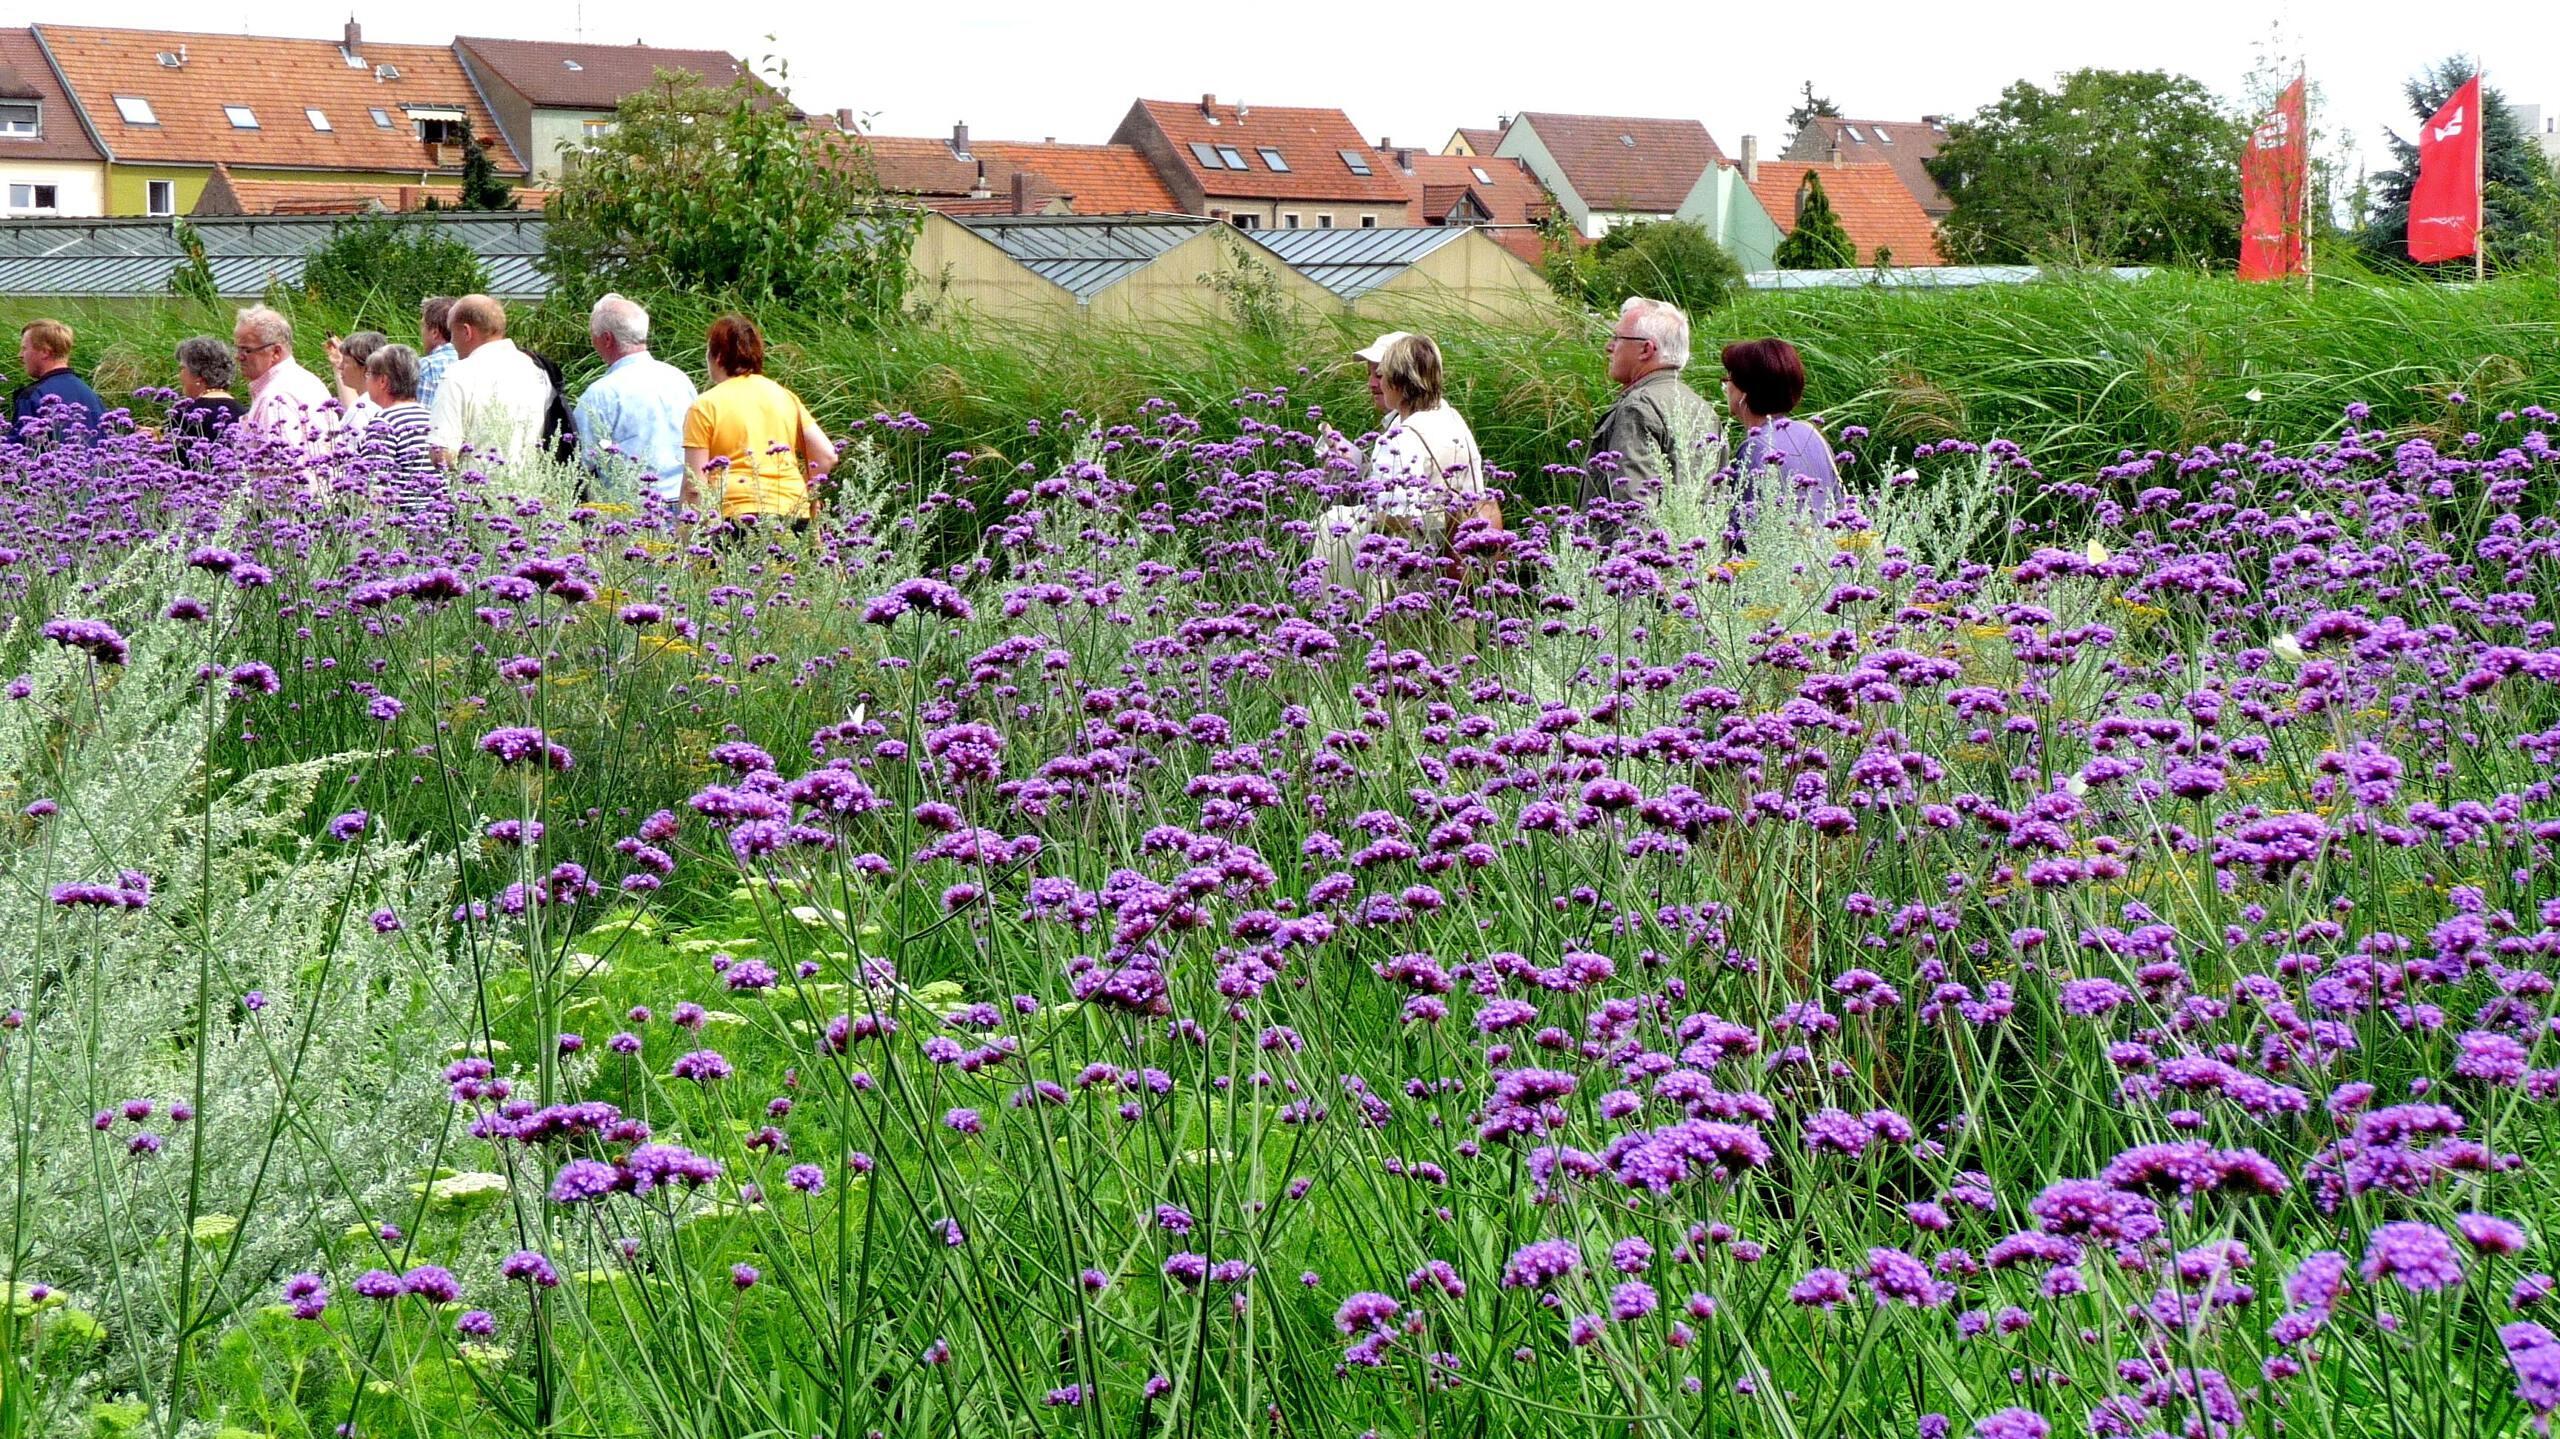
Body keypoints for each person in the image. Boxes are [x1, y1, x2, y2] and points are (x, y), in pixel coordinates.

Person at [1313, 332, 1493, 598]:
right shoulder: (1451, 418)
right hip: (1458, 562)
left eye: (1382, 375)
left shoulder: (1402, 436)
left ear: (1399, 381)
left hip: (1411, 571)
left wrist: (1346, 518)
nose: (1376, 383)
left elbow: (1397, 516)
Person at [681, 314, 836, 531]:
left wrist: (685, 540)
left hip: (733, 519)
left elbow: (694, 486)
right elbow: (826, 455)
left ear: (717, 357)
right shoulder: (785, 397)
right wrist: (805, 491)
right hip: (792, 513)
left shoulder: (705, 405)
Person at [1578, 296, 1722, 514]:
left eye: (1617, 338)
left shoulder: (1638, 407)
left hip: (1642, 547)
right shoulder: (1701, 407)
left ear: (1646, 350)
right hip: (1694, 545)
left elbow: (1632, 509)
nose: (1609, 347)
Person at [574, 293, 695, 503]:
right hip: (683, 504)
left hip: (631, 512)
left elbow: (577, 459)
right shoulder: (679, 379)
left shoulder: (601, 394)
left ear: (607, 339)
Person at [1720, 337, 1845, 528]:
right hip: (1824, 554)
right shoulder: (1811, 432)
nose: (1725, 386)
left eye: (1728, 378)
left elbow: (1745, 529)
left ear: (1745, 390)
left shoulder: (1756, 447)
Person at [427, 294, 552, 471]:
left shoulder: (459, 375)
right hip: (528, 490)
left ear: (466, 331)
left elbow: (442, 454)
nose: (452, 341)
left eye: (452, 333)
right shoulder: (535, 370)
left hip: (477, 492)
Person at [234, 305, 340, 453]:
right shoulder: (308, 380)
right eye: (237, 349)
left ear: (275, 352)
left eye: (246, 350)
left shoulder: (275, 398)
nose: (238, 357)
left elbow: (285, 466)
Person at [360, 343, 438, 513]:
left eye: (368, 374)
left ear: (383, 381)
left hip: (402, 529)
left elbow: (375, 487)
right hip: (436, 524)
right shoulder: (430, 416)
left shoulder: (383, 422)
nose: (365, 379)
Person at [11, 320, 106, 435]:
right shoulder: (90, 395)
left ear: (45, 352)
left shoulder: (34, 396)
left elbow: (22, 448)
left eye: (24, 348)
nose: (20, 355)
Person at [166, 336, 247, 459]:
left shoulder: (184, 416)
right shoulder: (245, 414)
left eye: (182, 368)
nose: (179, 376)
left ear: (199, 374)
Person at [326, 330, 388, 430]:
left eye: (345, 361)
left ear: (366, 367)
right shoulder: (384, 398)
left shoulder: (363, 409)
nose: (341, 366)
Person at [417, 297, 458, 411]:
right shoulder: (474, 360)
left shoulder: (428, 366)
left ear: (434, 332)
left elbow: (422, 418)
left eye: (423, 326)